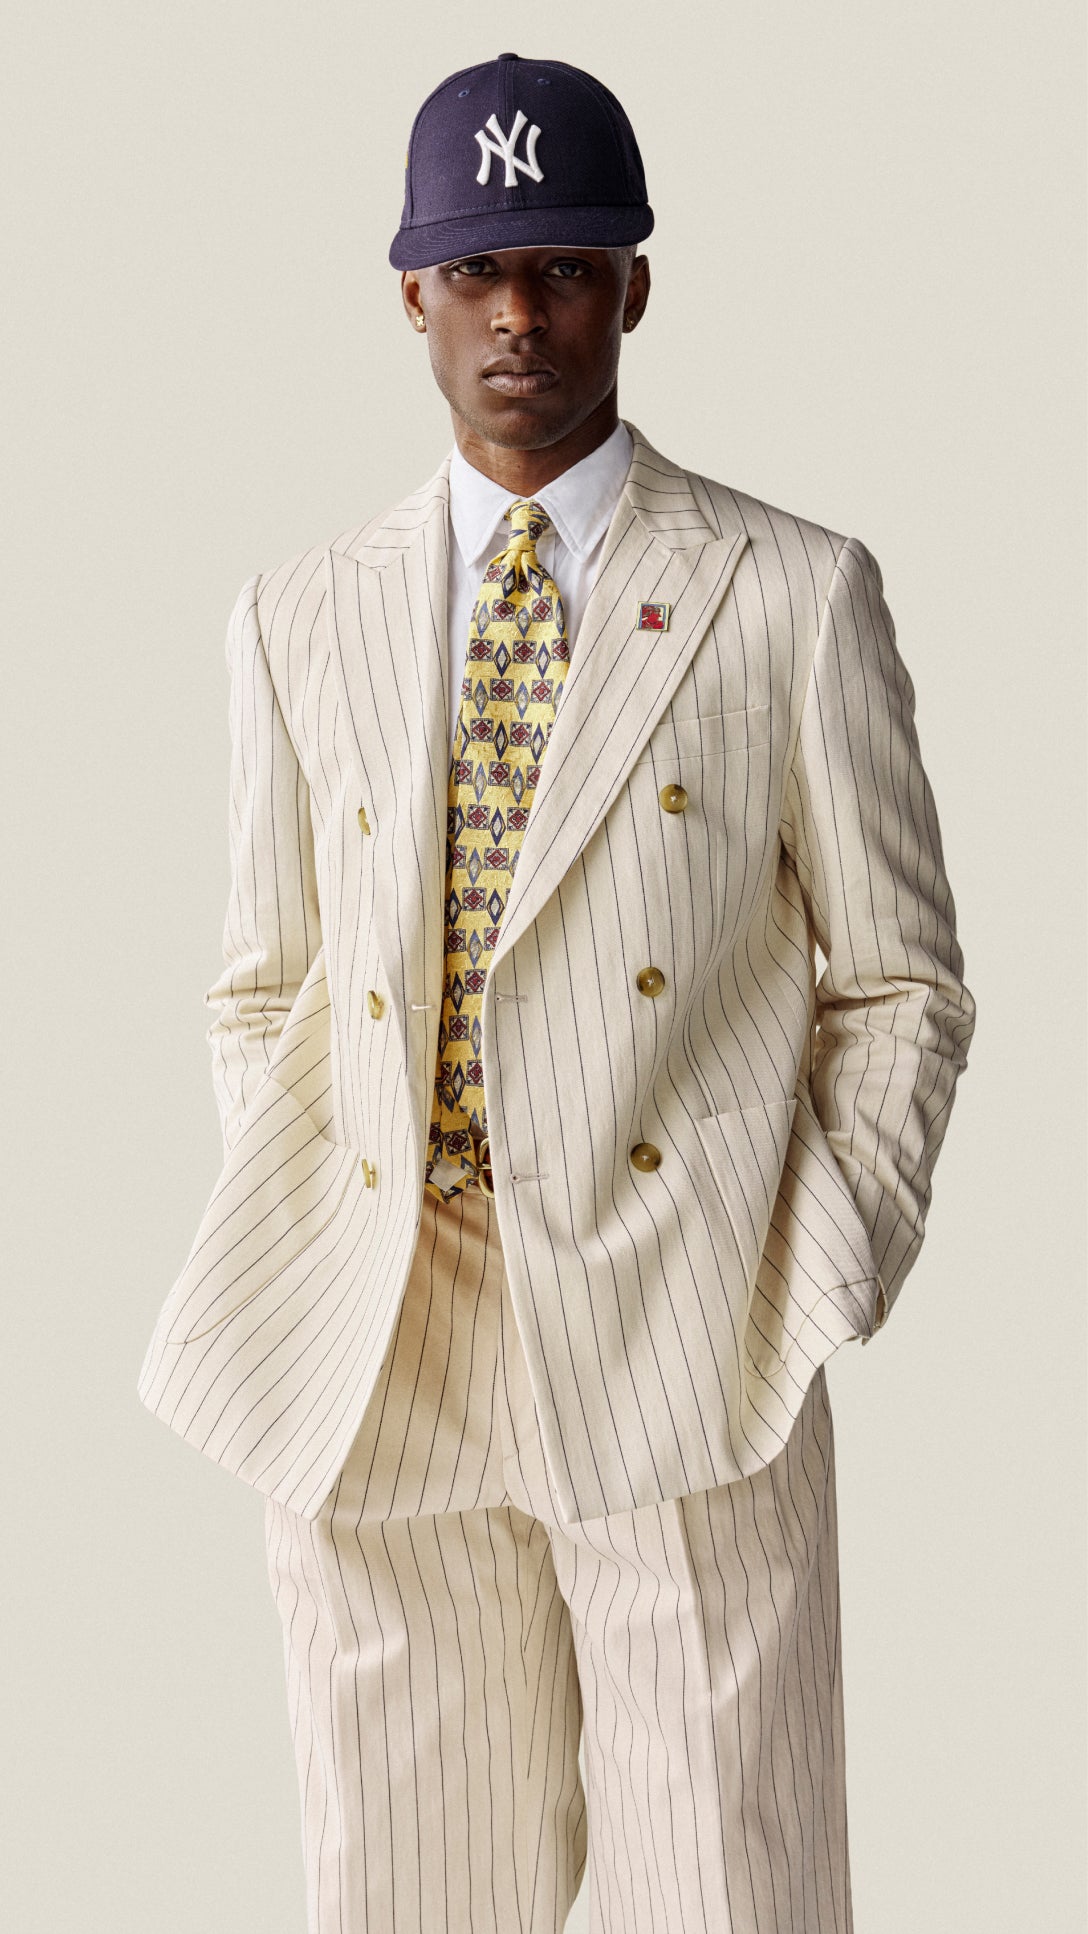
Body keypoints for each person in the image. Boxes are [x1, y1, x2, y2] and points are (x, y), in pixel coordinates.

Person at [138, 49, 976, 1933]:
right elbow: (260, 981)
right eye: (485, 270)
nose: (525, 313)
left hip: (686, 1333)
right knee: (410, 1890)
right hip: (384, 1342)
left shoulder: (788, 591)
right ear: (414, 293)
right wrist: (329, 1230)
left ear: (637, 283)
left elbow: (904, 980)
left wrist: (817, 1257)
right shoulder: (299, 613)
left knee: (733, 1888)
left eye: (571, 266)